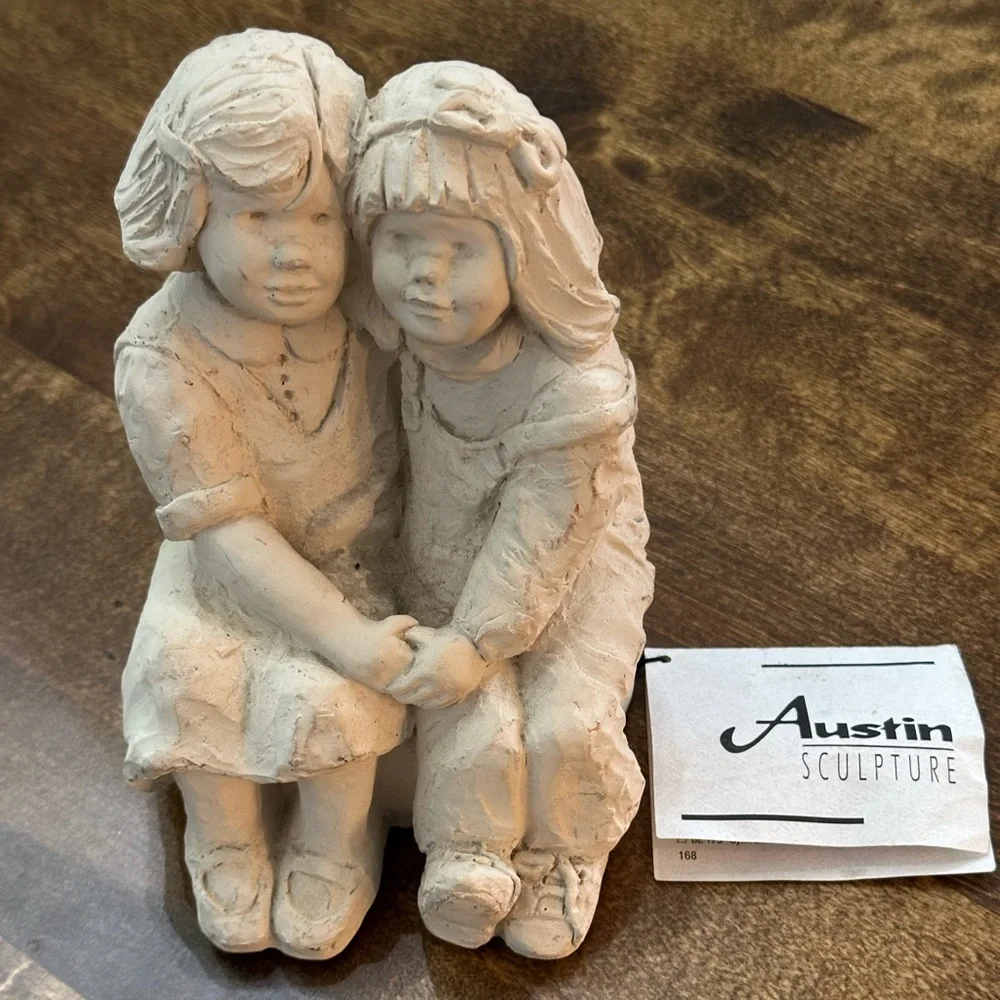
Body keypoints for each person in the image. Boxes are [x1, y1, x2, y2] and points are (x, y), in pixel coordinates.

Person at [113, 29, 413, 960]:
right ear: (192, 210)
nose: (295, 253)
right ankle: (226, 833)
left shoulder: (377, 312)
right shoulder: (162, 353)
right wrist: (344, 634)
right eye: (257, 218)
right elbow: (227, 529)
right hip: (226, 571)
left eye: (321, 219)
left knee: (333, 702)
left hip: (368, 553)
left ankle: (333, 841)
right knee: (190, 672)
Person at [350, 60, 655, 959]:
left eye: (461, 249)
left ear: (524, 252)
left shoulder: (576, 391)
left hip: (571, 569)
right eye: (401, 241)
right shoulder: (393, 342)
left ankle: (564, 851)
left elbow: (541, 540)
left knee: (564, 720)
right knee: (465, 707)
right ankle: (469, 851)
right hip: (440, 551)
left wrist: (478, 641)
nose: (425, 276)